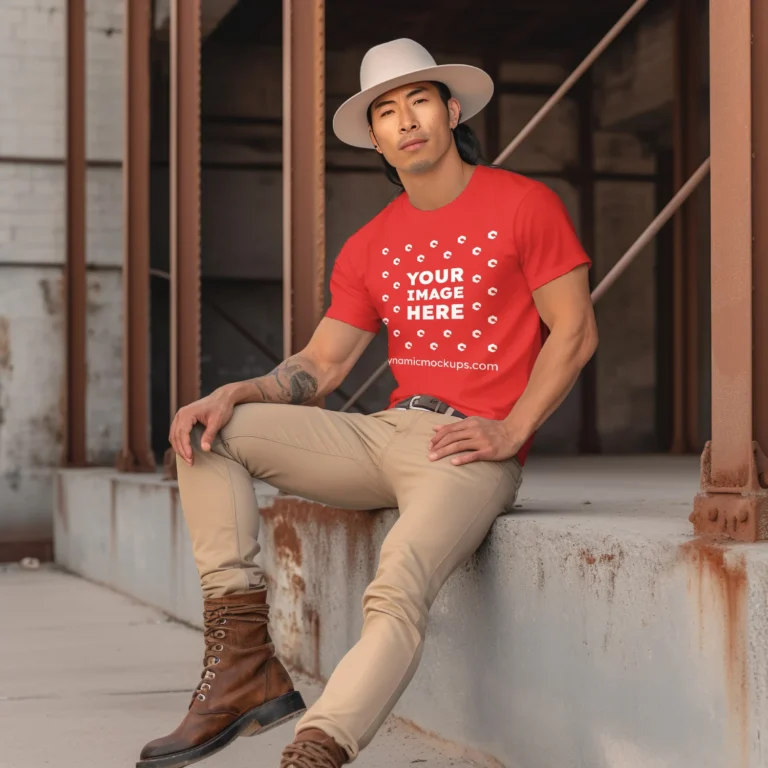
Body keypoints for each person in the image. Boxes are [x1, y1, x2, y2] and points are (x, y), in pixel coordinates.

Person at [137, 38, 597, 768]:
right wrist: (238, 391)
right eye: (386, 110)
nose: (405, 119)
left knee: (396, 584)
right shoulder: (372, 242)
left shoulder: (523, 204)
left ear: (449, 111)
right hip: (385, 432)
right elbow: (320, 365)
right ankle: (243, 666)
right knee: (210, 433)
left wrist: (512, 430)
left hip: (465, 450)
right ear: (376, 136)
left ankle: (317, 747)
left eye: (418, 100)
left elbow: (573, 331)